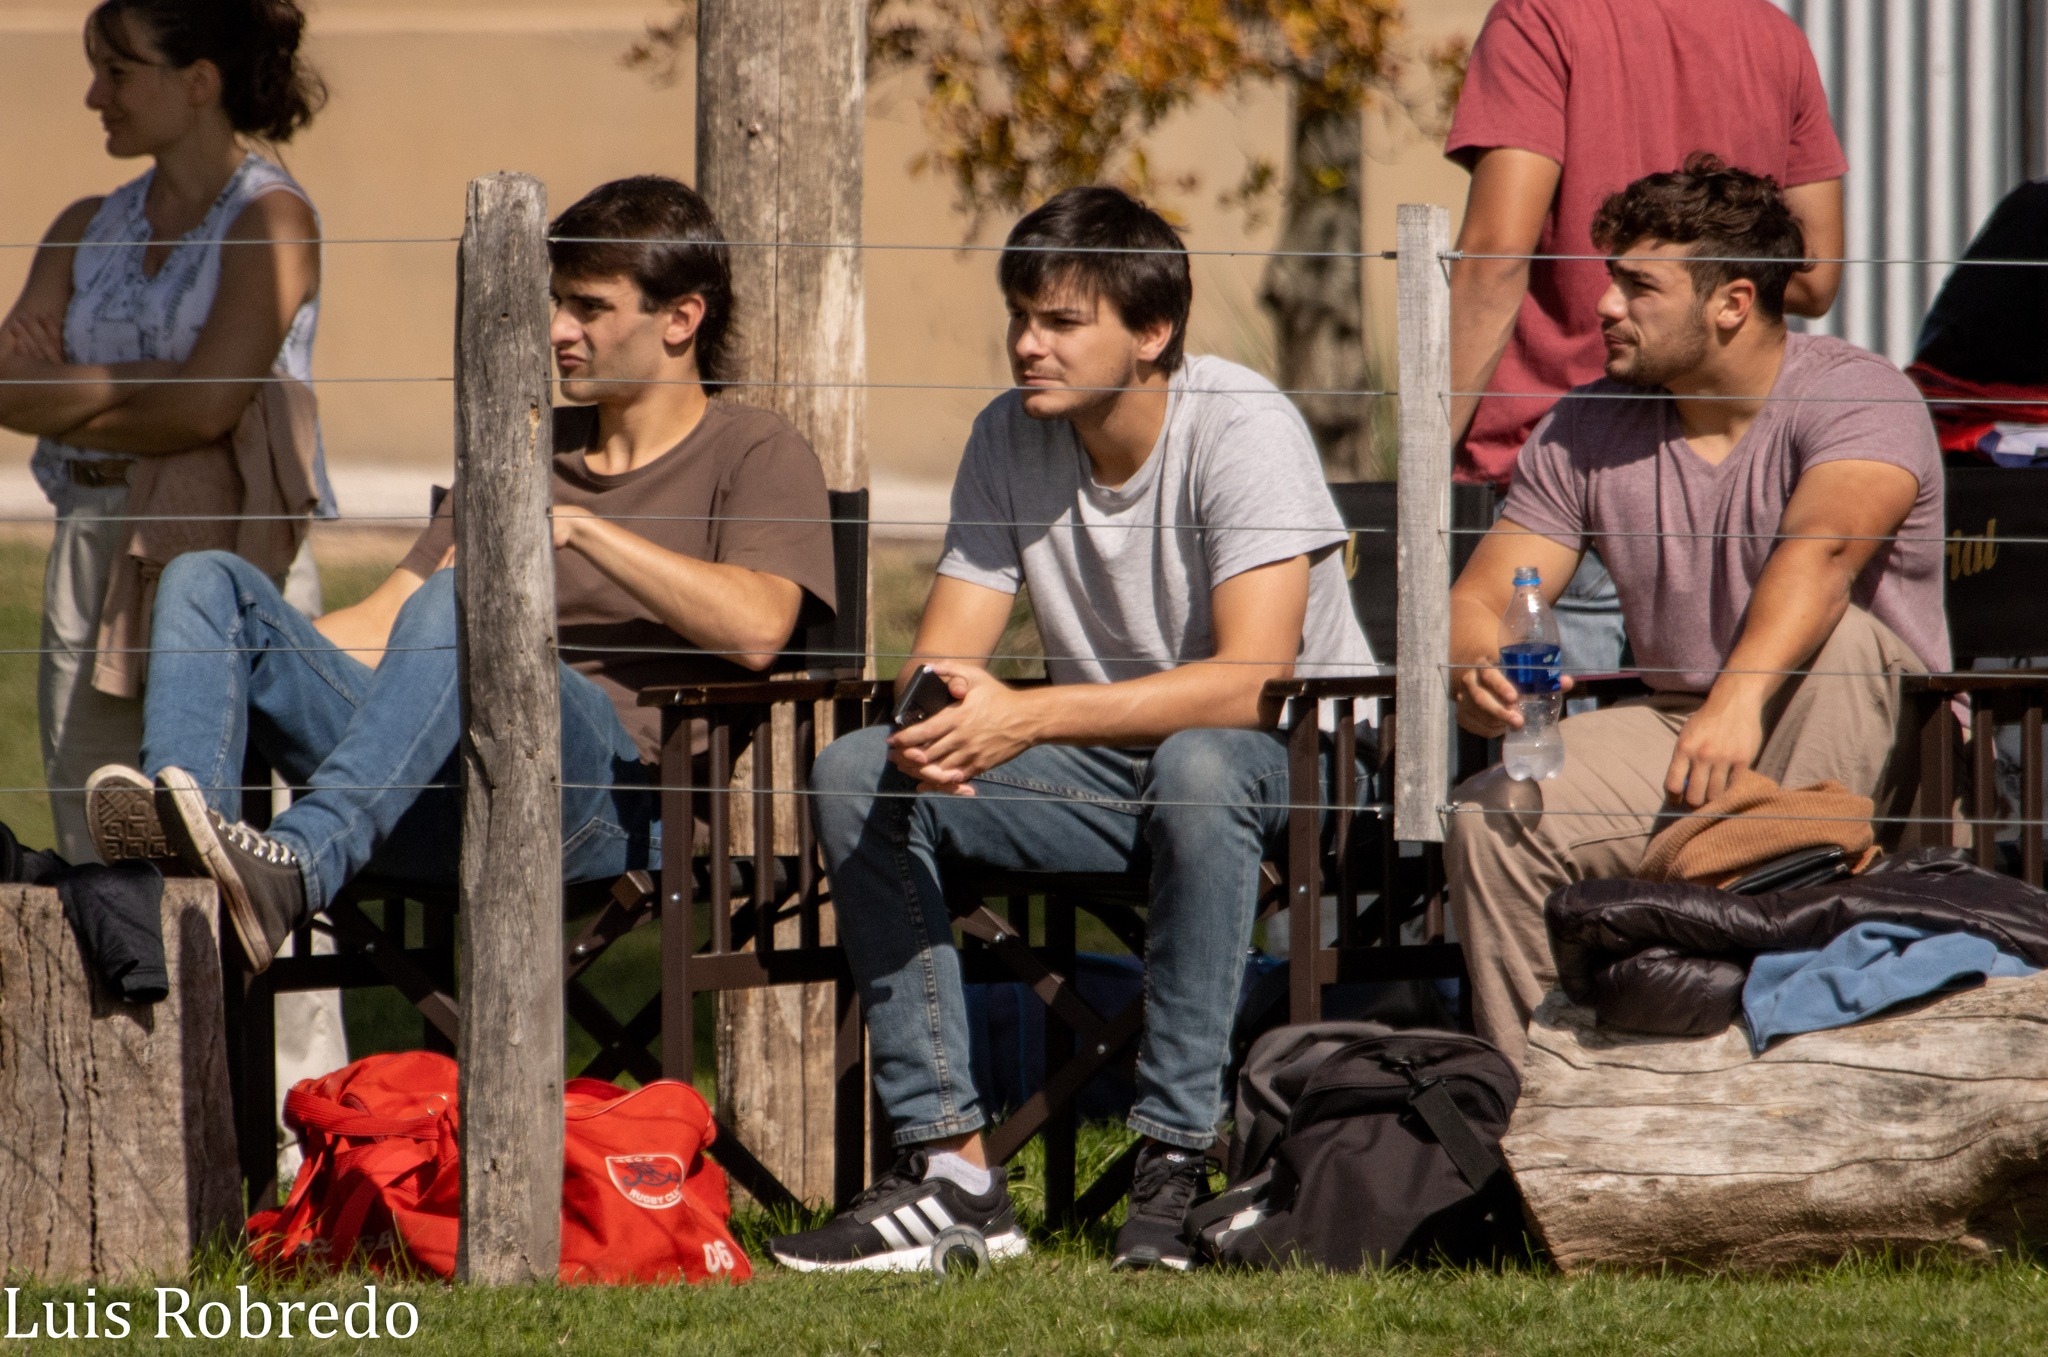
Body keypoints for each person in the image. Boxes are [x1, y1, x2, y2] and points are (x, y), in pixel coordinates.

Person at [770, 186, 1376, 1274]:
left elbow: (1252, 682)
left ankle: (1173, 1161)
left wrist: (1026, 714)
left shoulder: (1240, 424)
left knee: (1197, 764)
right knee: (860, 771)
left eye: (1058, 321)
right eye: (1018, 316)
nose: (1023, 345)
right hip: (1114, 768)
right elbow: (945, 656)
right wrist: (933, 727)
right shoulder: (1006, 436)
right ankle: (952, 1173)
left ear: (1150, 332)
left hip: (1300, 763)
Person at [82, 175, 837, 976]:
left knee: (463, 598)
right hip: (428, 782)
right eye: (556, 302)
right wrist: (254, 658)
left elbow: (760, 629)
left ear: (682, 318)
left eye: (590, 307)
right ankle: (185, 874)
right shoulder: (523, 454)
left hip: (606, 803)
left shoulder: (754, 449)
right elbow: (385, 623)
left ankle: (296, 865)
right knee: (209, 583)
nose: (556, 330)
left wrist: (583, 532)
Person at [1444, 157, 1948, 1069]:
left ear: (1733, 301)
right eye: (1610, 278)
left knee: (1846, 639)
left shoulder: (1858, 395)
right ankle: (1544, 1117)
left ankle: (1781, 1064)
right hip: (1686, 732)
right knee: (1493, 817)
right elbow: (1485, 595)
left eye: (1639, 285)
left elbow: (1824, 552)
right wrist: (1480, 664)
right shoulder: (1585, 427)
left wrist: (1738, 700)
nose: (1603, 306)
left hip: (1849, 726)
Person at [0, 0, 338, 865]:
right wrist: (172, 382)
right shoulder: (83, 227)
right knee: (97, 829)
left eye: (117, 71)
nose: (92, 96)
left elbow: (209, 411)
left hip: (223, 555)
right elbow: (8, 389)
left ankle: (243, 1002)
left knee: (246, 840)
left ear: (198, 83)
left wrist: (86, 390)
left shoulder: (272, 219)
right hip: (90, 542)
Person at [1444, 0, 1848, 671]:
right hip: (1720, 478)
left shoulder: (1539, 18)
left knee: (1535, 756)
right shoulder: (1774, 35)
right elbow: (1811, 274)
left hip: (1556, 467)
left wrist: (1424, 449)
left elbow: (1495, 255)